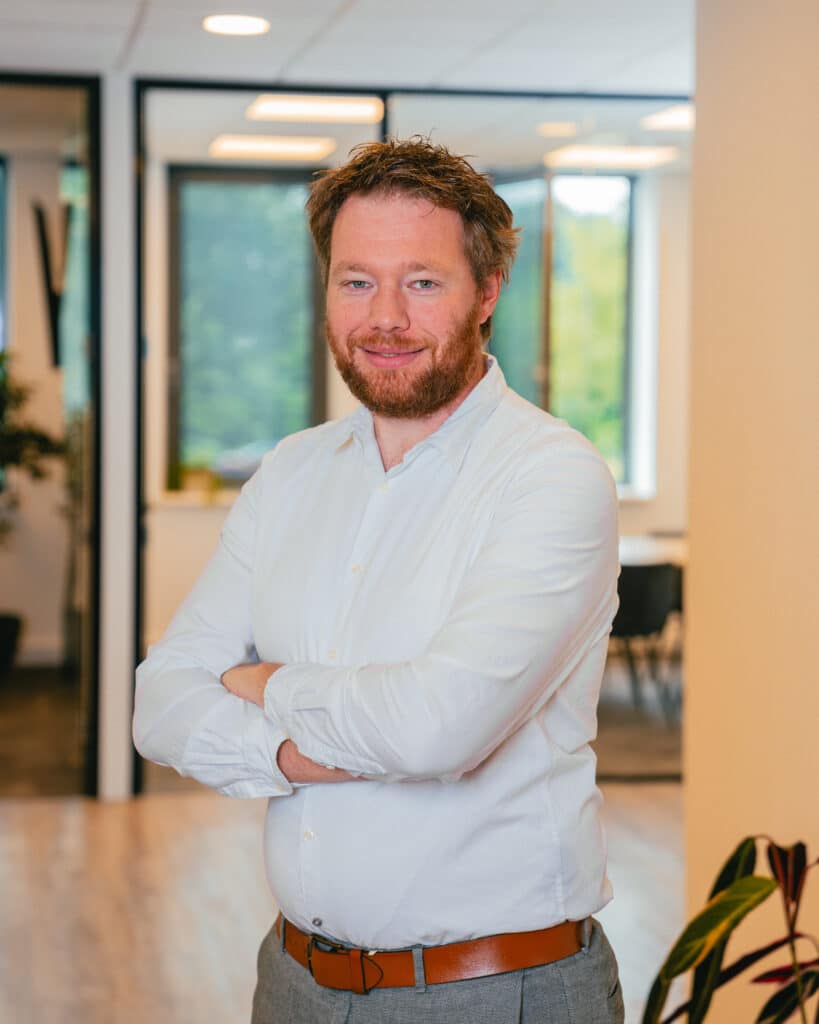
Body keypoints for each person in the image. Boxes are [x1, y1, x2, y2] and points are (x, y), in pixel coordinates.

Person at [134, 137, 624, 1024]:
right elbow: (160, 701)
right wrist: (291, 754)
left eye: (423, 282)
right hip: (292, 980)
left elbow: (437, 730)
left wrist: (263, 685)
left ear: (487, 292)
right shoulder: (291, 471)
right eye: (356, 280)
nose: (385, 317)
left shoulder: (550, 477)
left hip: (495, 991)